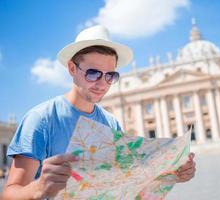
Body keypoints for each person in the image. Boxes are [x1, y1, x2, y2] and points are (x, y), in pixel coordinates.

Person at [3, 25, 196, 200]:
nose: (103, 83)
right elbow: (9, 194)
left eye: (110, 75)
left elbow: (126, 184)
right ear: (72, 68)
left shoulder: (111, 123)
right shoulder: (42, 119)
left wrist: (171, 173)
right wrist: (39, 187)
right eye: (93, 73)